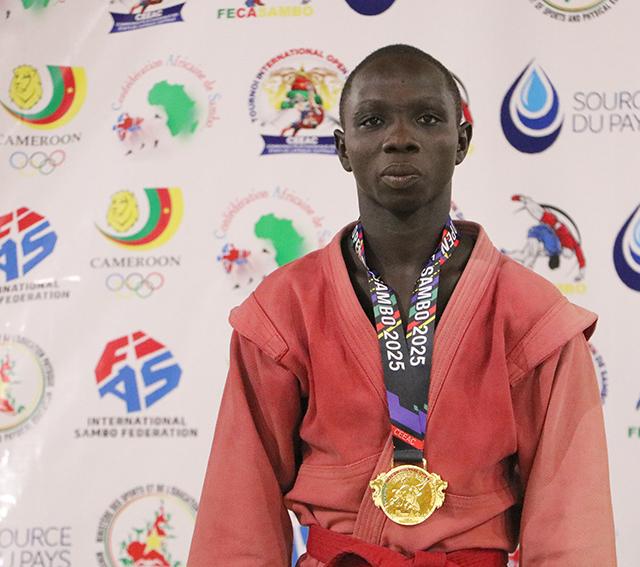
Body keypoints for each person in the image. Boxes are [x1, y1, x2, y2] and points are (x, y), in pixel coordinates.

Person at [188, 44, 616, 566]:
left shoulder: (530, 315)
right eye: (373, 121)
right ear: (343, 148)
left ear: (461, 141)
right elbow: (238, 515)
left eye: (427, 118)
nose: (400, 139)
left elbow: (572, 523)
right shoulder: (286, 308)